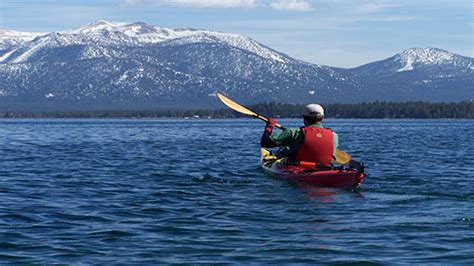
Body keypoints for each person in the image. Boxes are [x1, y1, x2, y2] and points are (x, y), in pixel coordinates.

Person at [260, 104, 338, 166]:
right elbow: (332, 156)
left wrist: (269, 127)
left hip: (297, 167)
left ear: (304, 118)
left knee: (285, 150)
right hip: (323, 168)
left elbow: (265, 143)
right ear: (322, 118)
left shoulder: (293, 132)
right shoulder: (334, 136)